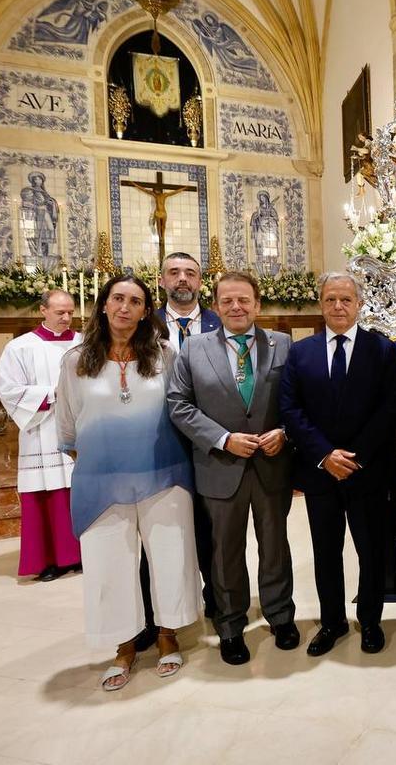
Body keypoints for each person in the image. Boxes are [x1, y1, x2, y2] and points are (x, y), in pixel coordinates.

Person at [54, 275, 198, 692]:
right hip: (102, 478)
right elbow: (68, 423)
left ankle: (168, 633)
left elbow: (181, 409)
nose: (125, 307)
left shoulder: (166, 355)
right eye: (118, 299)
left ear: (145, 310)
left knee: (171, 557)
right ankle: (124, 644)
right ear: (103, 305)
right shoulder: (76, 359)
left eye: (135, 301)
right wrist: (100, 460)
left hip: (164, 473)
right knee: (109, 563)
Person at [167, 272, 298, 665]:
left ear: (258, 305)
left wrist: (285, 432)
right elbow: (179, 404)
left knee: (275, 547)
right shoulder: (192, 349)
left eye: (244, 300)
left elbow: (299, 400)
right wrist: (224, 439)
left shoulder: (284, 345)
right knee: (225, 552)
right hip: (220, 466)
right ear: (217, 305)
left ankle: (280, 615)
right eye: (227, 301)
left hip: (271, 465)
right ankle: (230, 625)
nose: (236, 308)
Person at [279, 272, 396, 657]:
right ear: (321, 304)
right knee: (326, 552)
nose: (338, 306)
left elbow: (390, 405)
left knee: (371, 550)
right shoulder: (301, 353)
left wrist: (354, 456)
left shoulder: (381, 349)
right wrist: (324, 455)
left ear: (359, 304)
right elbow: (290, 409)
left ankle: (370, 620)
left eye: (346, 299)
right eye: (331, 299)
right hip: (320, 472)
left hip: (366, 470)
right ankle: (332, 621)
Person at [0, 289, 82, 581]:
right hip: (41, 430)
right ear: (43, 310)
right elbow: (9, 391)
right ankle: (48, 560)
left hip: (80, 429)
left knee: (78, 491)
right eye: (60, 312)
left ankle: (80, 554)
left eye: (70, 312)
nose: (66, 317)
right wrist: (53, 394)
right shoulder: (20, 348)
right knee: (47, 494)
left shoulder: (83, 343)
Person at [155, 251, 220, 628]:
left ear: (200, 281)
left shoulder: (219, 322)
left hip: (211, 439)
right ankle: (164, 608)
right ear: (162, 280)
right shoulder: (145, 326)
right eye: (174, 273)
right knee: (162, 529)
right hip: (161, 439)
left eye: (190, 273)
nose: (183, 279)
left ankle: (217, 596)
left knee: (211, 526)